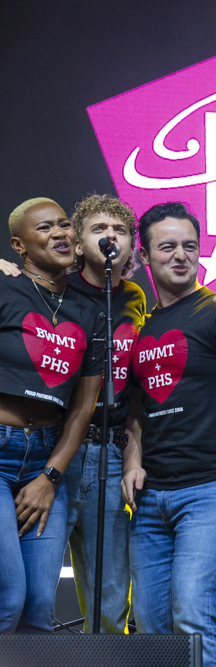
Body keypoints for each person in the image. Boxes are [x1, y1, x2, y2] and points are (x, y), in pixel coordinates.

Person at [122, 202, 216, 667]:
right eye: (167, 246)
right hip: (151, 498)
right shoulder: (141, 326)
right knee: (148, 623)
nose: (181, 255)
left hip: (212, 487)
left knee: (192, 612)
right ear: (146, 256)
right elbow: (136, 414)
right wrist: (132, 460)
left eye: (190, 246)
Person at [0, 198, 103, 632]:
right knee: (9, 599)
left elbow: (83, 408)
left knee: (40, 607)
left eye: (64, 225)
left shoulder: (91, 312)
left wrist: (50, 477)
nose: (60, 233)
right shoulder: (6, 288)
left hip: (47, 461)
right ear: (19, 246)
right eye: (44, 228)